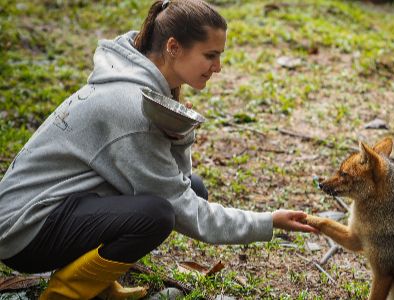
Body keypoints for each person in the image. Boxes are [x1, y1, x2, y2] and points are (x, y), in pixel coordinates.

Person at [0, 0, 316, 299]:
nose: (218, 67)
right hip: (24, 232)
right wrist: (266, 221)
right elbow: (181, 209)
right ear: (173, 47)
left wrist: (180, 135)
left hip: (53, 209)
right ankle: (65, 294)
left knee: (194, 188)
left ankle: (96, 282)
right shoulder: (131, 108)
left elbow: (181, 181)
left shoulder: (140, 83)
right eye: (210, 55)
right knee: (156, 215)